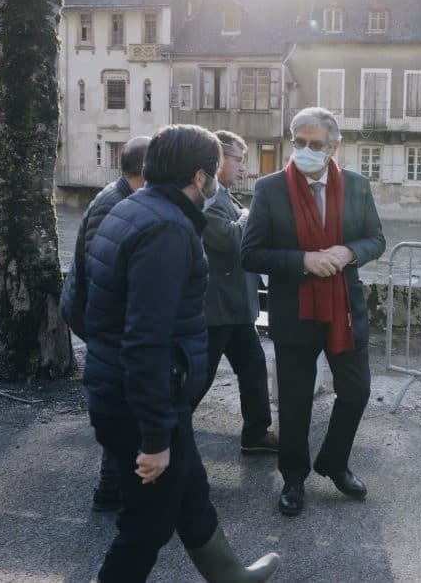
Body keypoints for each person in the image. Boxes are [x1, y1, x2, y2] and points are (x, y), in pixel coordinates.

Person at [83, 125, 279, 582]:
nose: (214, 181)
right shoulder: (167, 230)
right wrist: (154, 438)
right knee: (146, 525)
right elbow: (147, 339)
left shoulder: (126, 209)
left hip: (123, 388)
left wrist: (106, 361)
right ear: (198, 176)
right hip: (143, 400)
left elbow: (79, 299)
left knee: (191, 489)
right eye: (212, 172)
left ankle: (228, 574)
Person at [241, 107, 385, 517]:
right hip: (294, 309)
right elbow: (249, 253)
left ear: (334, 147)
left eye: (315, 145)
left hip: (344, 310)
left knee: (356, 391)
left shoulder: (356, 186)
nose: (305, 151)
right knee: (295, 400)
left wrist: (349, 251)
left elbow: (376, 238)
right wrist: (303, 260)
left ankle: (334, 462)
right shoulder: (270, 189)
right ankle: (293, 478)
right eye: (299, 143)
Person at [61, 134, 150, 513]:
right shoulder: (114, 205)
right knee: (122, 405)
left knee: (122, 405)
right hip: (99, 320)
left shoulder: (121, 198)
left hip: (99, 318)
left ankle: (113, 488)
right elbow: (103, 277)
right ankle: (111, 489)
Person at [195, 130, 279, 454]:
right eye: (239, 160)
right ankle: (163, 436)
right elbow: (229, 241)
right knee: (198, 380)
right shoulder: (210, 199)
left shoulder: (224, 196)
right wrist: (251, 215)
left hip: (233, 306)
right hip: (216, 308)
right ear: (218, 161)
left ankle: (256, 433)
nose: (243, 168)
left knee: (253, 368)